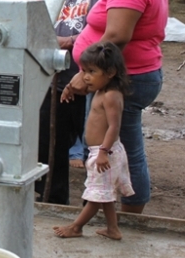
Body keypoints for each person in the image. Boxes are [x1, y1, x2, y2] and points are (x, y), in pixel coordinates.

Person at [64, 0, 168, 214]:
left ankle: (130, 215)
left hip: (123, 78)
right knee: (118, 145)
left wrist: (84, 76)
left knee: (118, 148)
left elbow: (117, 35)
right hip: (127, 74)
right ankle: (113, 209)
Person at [36, 0, 113, 204]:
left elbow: (109, 33)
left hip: (90, 78)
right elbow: (40, 22)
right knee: (49, 142)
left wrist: (67, 41)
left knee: (95, 143)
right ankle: (54, 202)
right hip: (53, 77)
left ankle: (96, 205)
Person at [54, 42, 134, 239]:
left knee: (95, 196)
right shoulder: (101, 90)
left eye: (91, 71)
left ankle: (76, 227)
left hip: (105, 153)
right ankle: (112, 229)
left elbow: (114, 127)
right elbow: (82, 90)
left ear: (110, 72)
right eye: (84, 70)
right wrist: (69, 89)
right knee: (104, 193)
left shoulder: (111, 96)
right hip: (100, 151)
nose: (86, 77)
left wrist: (103, 152)